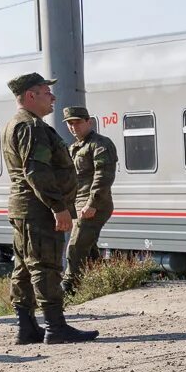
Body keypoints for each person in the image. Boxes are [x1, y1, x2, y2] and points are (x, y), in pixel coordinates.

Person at [0, 72, 97, 344]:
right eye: (46, 92)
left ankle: (27, 327)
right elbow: (36, 171)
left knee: (25, 267)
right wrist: (57, 206)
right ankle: (55, 327)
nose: (52, 97)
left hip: (26, 208)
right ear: (30, 96)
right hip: (38, 209)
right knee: (45, 266)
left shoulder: (17, 124)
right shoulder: (31, 127)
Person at [63, 105, 117, 283]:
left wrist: (92, 204)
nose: (73, 127)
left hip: (95, 204)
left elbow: (104, 176)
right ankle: (102, 283)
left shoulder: (100, 144)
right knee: (89, 248)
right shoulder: (76, 147)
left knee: (76, 246)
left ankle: (69, 285)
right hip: (80, 204)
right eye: (70, 123)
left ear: (89, 122)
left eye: (77, 122)